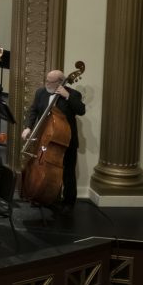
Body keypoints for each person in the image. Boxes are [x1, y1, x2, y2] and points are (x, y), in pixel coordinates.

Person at [22, 69, 85, 212]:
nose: (47, 83)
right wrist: (28, 127)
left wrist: (67, 96)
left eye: (50, 82)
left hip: (65, 140)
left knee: (68, 172)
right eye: (46, 80)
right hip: (45, 138)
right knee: (43, 167)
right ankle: (44, 196)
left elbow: (81, 110)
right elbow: (33, 111)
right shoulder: (41, 92)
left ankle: (68, 202)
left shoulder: (73, 94)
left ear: (60, 82)